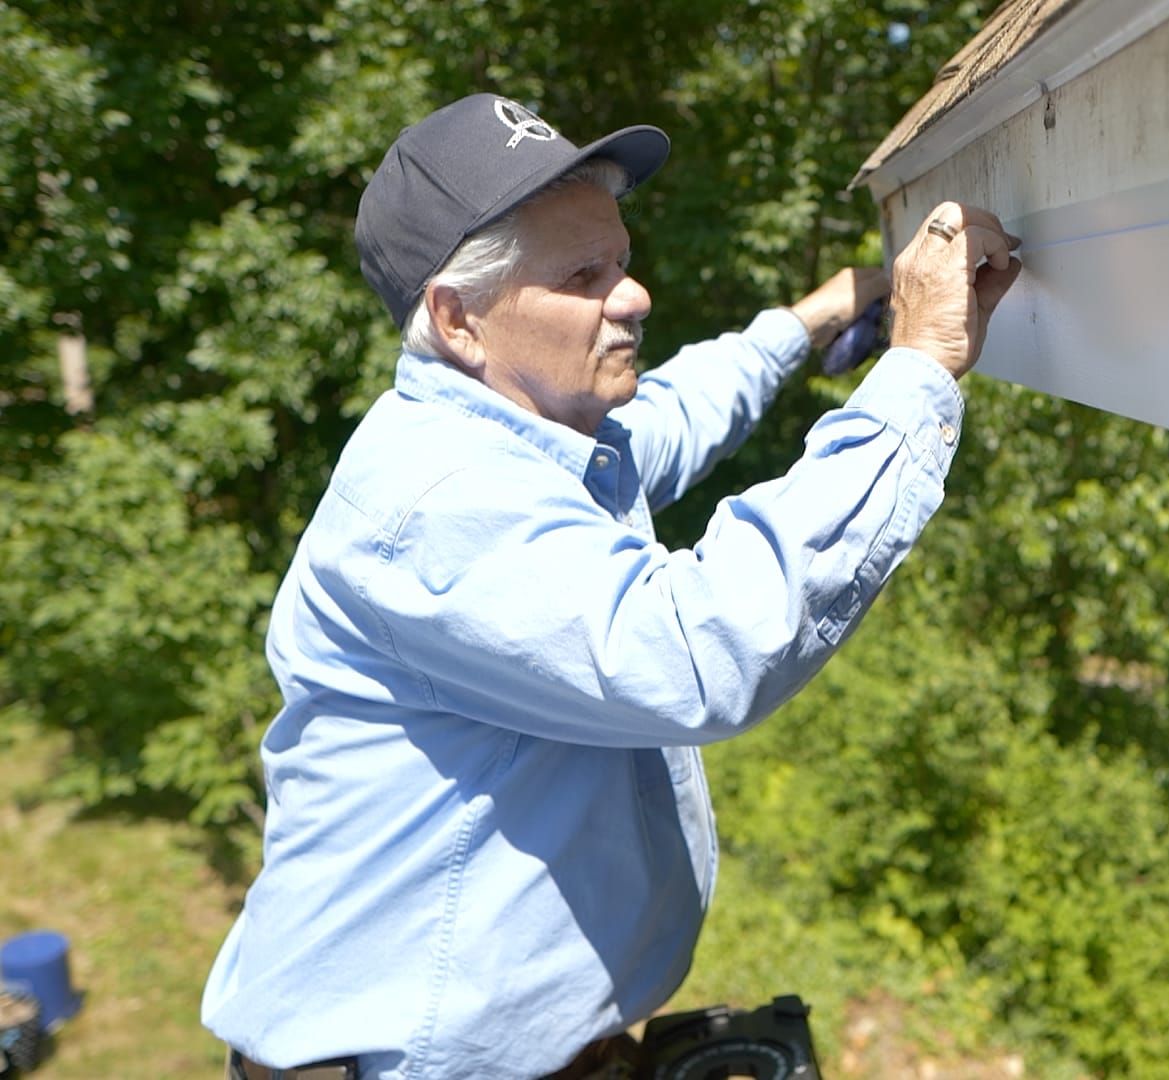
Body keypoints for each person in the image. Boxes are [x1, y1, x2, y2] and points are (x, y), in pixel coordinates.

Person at [201, 92, 1021, 1080]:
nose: (632, 296)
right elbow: (704, 649)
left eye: (620, 262)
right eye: (583, 276)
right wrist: (920, 369)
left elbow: (670, 417)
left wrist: (811, 321)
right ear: (459, 320)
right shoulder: (439, 503)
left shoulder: (530, 431)